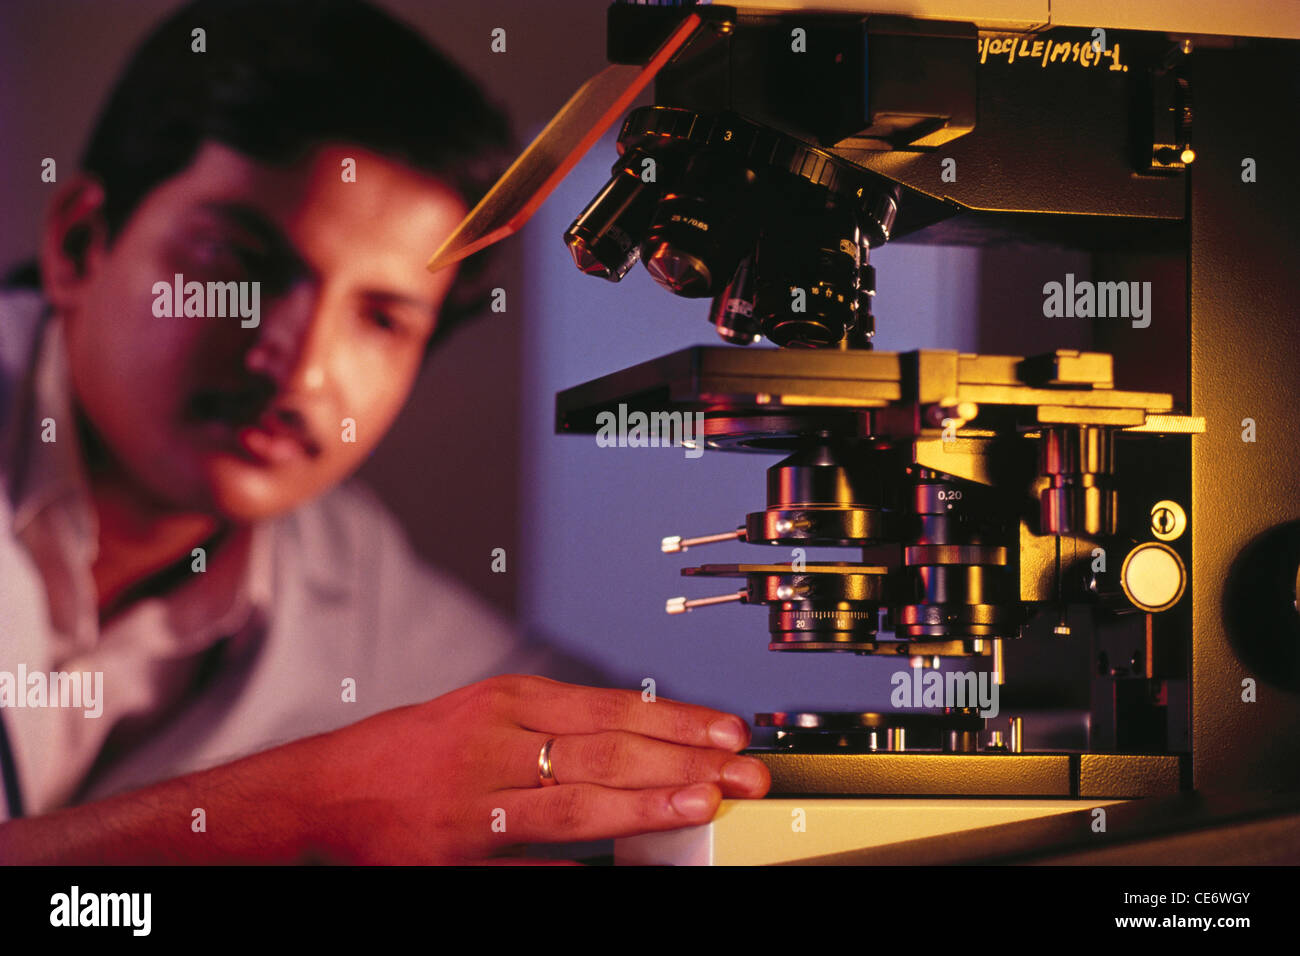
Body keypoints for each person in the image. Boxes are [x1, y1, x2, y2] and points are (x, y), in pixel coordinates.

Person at [0, 0, 769, 864]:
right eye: (240, 265)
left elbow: (584, 728)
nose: (298, 369)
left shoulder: (341, 567)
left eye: (381, 317)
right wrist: (308, 806)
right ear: (79, 243)